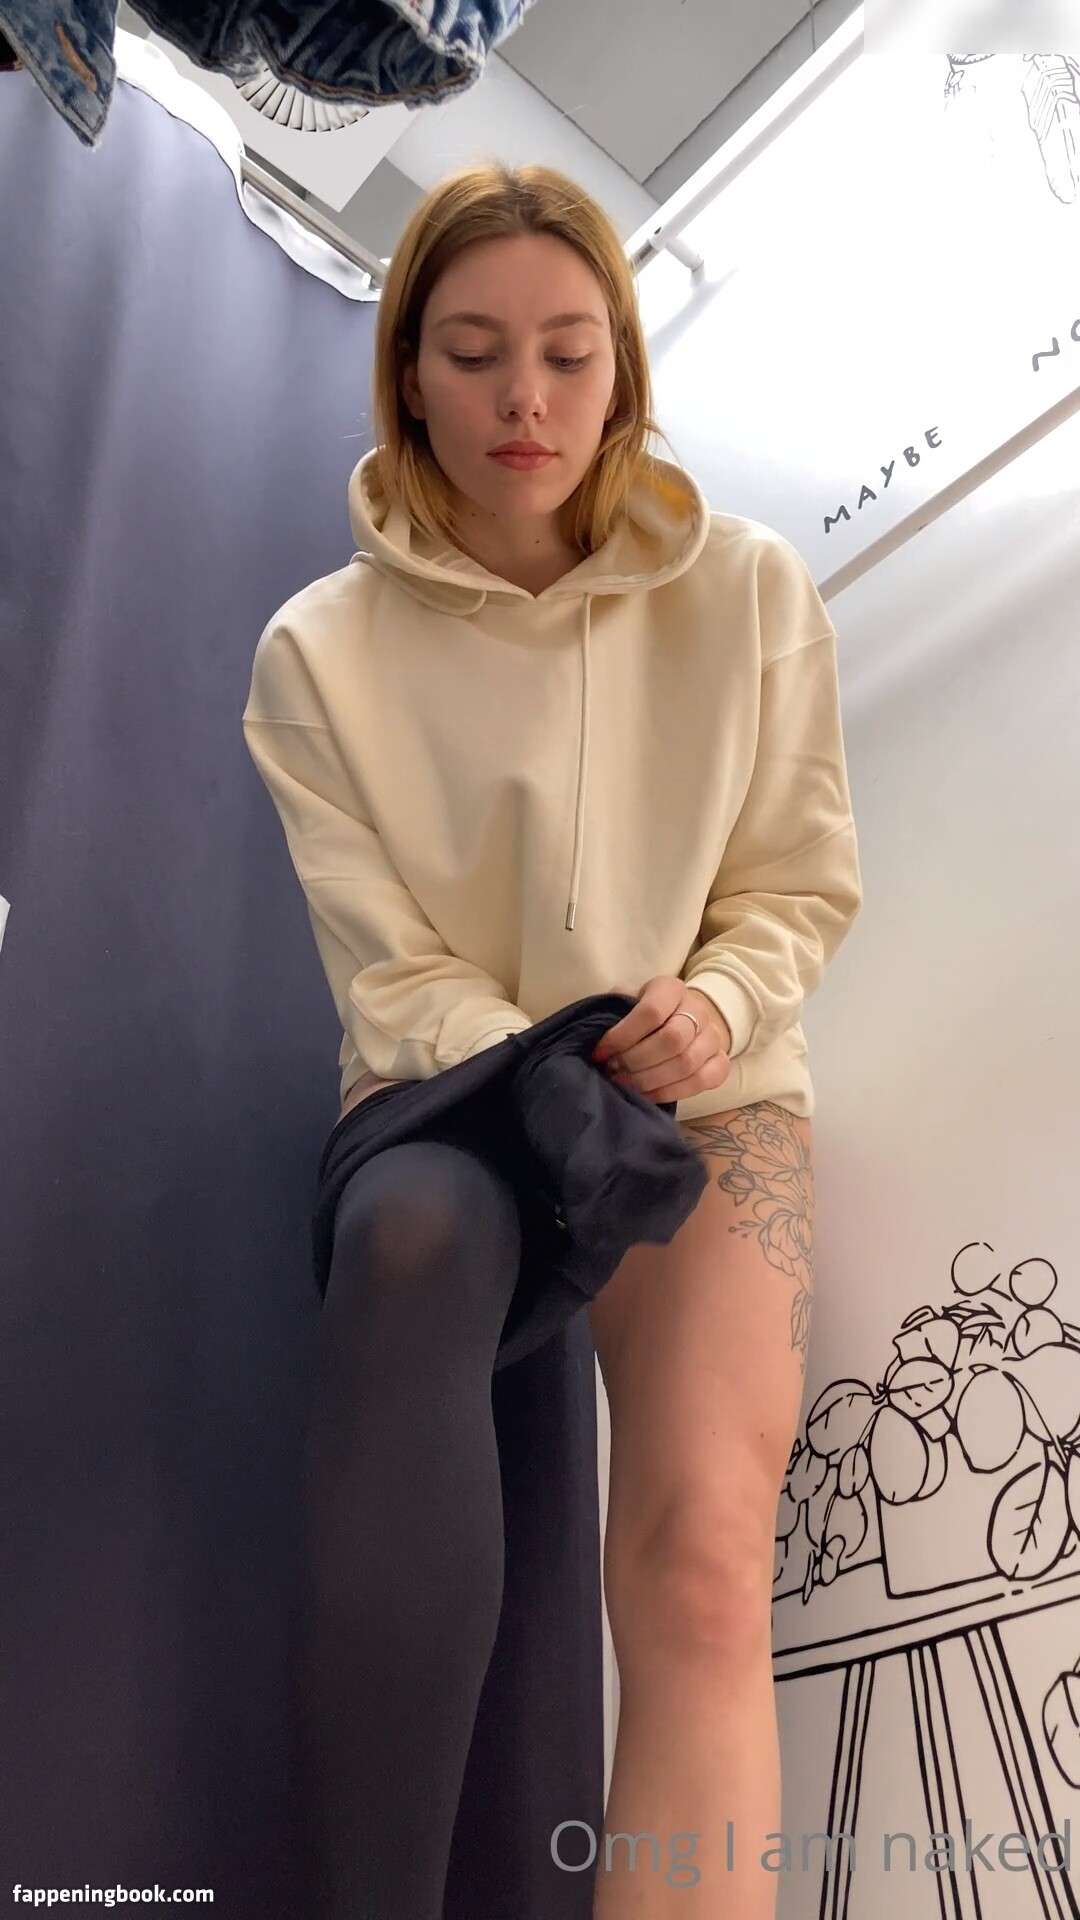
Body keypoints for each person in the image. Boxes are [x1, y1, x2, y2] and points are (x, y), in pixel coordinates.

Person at [243, 161, 862, 1919]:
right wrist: (545, 1063)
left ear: (623, 368)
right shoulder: (316, 653)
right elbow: (388, 968)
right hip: (457, 1093)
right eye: (475, 352)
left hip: (706, 1095)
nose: (526, 398)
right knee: (410, 1239)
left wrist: (715, 1006)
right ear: (408, 373)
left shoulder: (751, 590)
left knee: (700, 1566)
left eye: (571, 354)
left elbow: (799, 882)